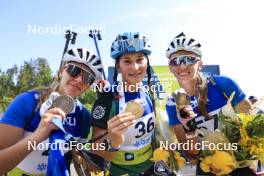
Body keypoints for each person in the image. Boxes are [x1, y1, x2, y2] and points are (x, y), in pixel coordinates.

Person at [0, 47, 106, 175]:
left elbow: (78, 164)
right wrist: (39, 135)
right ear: (62, 70)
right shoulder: (26, 102)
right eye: (74, 70)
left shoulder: (83, 116)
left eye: (88, 78)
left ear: (89, 85)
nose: (79, 79)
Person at [165, 32, 257, 175]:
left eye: (189, 59)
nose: (182, 65)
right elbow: (193, 156)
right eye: (175, 61)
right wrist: (189, 128)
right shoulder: (172, 104)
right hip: (207, 167)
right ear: (170, 68)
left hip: (238, 163)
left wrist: (234, 158)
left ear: (200, 64)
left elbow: (251, 131)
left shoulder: (223, 84)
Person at [90, 32, 157, 176]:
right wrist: (113, 141)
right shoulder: (107, 99)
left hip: (151, 167)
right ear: (118, 67)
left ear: (147, 63)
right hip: (119, 171)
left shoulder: (150, 94)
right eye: (127, 61)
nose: (134, 67)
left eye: (140, 60)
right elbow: (94, 160)